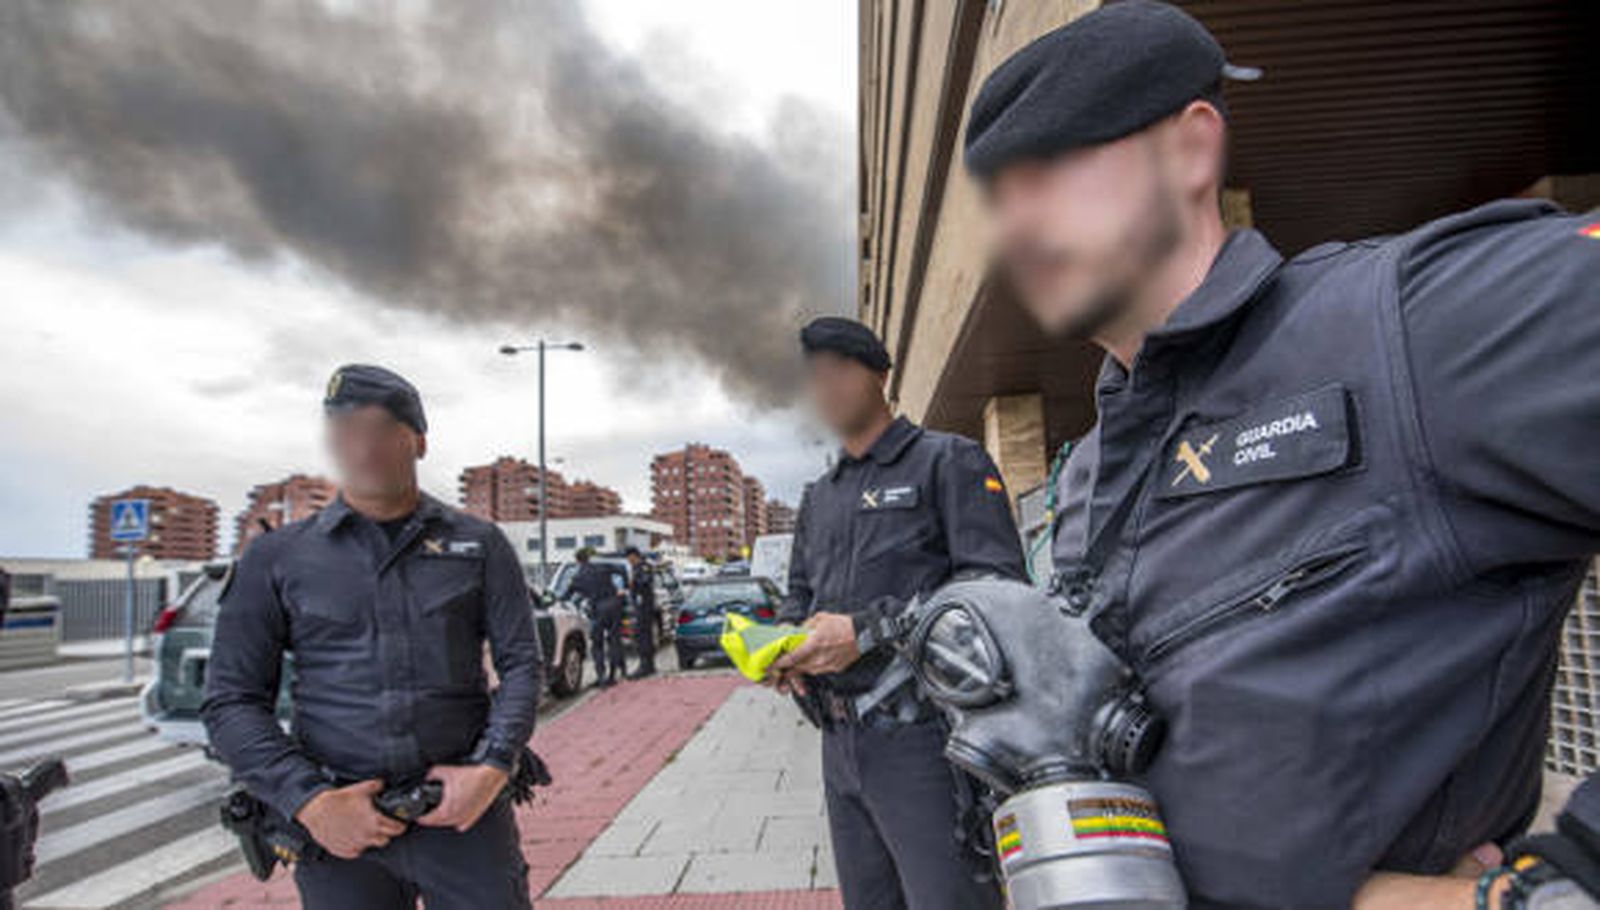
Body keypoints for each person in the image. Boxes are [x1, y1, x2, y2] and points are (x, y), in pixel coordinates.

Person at [963, 3, 1600, 908]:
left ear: (1188, 149)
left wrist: (1549, 887)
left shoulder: (1406, 325)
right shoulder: (1091, 472)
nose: (1019, 227)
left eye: (1053, 173)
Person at [202, 364, 542, 910]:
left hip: (464, 818)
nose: (363, 446)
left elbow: (523, 664)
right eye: (345, 429)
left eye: (382, 428)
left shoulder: (479, 545)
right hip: (340, 830)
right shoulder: (278, 557)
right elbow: (230, 701)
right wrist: (309, 802)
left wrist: (492, 767)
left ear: (420, 441)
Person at [764, 316, 1027, 910]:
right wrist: (781, 646)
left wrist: (867, 632)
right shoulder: (819, 496)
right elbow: (798, 597)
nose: (823, 390)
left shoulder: (948, 461)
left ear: (881, 375)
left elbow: (999, 592)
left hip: (927, 741)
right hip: (839, 743)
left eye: (837, 370)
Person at [570, 548, 626, 687]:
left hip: (597, 610)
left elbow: (568, 595)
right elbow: (622, 569)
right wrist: (625, 587)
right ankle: (613, 675)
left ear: (578, 561)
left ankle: (601, 677)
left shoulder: (578, 577)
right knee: (614, 640)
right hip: (614, 604)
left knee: (597, 644)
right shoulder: (602, 566)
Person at [624, 547, 657, 679]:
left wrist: (634, 582)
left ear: (634, 556)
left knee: (642, 636)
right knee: (642, 636)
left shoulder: (643, 567)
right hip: (641, 606)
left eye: (629, 558)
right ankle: (648, 665)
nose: (628, 561)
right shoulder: (637, 568)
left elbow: (645, 581)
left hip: (644, 606)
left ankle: (645, 665)